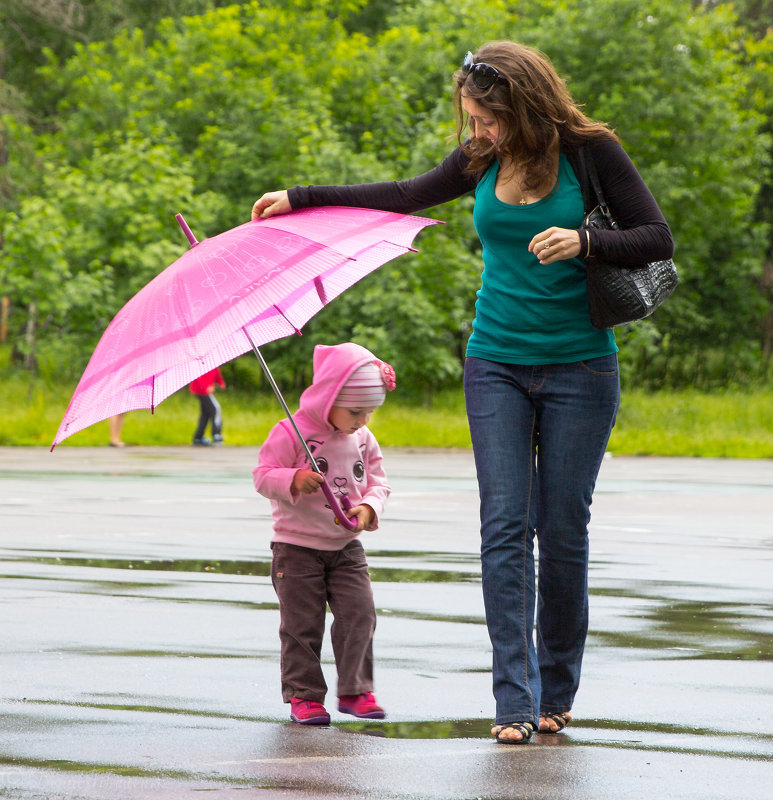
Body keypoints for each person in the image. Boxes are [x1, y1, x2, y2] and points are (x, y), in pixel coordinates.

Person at [251, 41, 673, 743]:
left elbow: (656, 237)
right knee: (505, 526)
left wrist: (586, 242)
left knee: (561, 531)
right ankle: (514, 701)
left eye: (487, 120)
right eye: (470, 119)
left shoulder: (591, 153)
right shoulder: (480, 161)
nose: (475, 133)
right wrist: (303, 198)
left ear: (526, 108)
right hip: (495, 363)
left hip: (582, 368)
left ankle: (555, 690)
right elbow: (402, 195)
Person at [253, 342, 395, 725]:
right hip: (296, 548)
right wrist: (294, 478)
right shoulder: (291, 432)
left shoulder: (363, 438)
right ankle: (304, 695)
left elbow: (378, 481)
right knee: (302, 625)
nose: (362, 419)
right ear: (329, 397)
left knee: (359, 614)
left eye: (369, 412)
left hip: (346, 546)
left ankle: (355, 689)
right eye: (354, 410)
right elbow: (263, 475)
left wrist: (369, 507)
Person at [189, 367, 225, 446]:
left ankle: (198, 437)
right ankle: (216, 434)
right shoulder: (202, 362)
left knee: (205, 414)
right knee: (215, 409)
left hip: (204, 390)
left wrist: (220, 382)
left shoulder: (212, 362)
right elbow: (198, 376)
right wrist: (206, 386)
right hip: (201, 390)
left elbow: (216, 373)